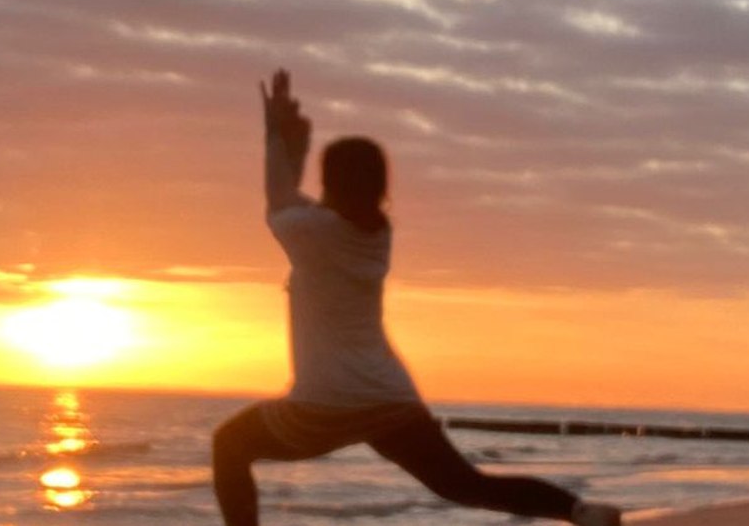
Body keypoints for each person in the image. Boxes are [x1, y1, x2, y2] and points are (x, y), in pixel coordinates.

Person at [211, 69, 624, 526]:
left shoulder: (317, 233)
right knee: (466, 485)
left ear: (332, 182)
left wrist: (277, 135)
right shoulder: (374, 233)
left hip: (325, 401)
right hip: (388, 397)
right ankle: (581, 511)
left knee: (229, 445)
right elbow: (294, 202)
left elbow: (279, 202)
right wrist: (292, 144)